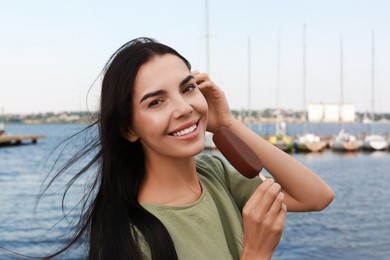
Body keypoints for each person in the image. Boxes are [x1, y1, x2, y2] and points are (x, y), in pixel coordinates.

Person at [41, 37, 334, 259]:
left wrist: (227, 124)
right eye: (156, 101)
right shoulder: (135, 237)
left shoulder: (215, 174)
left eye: (188, 88)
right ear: (128, 129)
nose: (183, 108)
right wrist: (256, 252)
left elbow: (317, 196)